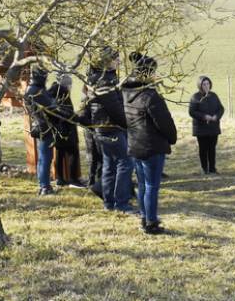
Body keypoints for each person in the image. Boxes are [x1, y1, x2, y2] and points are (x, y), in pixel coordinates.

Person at [122, 52, 177, 234]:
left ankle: (145, 218)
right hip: (151, 146)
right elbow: (164, 122)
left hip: (135, 144)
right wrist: (172, 137)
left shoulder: (126, 93)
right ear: (148, 74)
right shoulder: (150, 96)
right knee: (151, 186)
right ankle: (151, 223)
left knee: (143, 184)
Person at [85, 51, 134, 213]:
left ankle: (109, 202)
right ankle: (121, 203)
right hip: (110, 127)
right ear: (108, 62)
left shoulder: (101, 79)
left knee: (109, 164)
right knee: (125, 163)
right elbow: (115, 109)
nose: (119, 61)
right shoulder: (104, 82)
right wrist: (128, 124)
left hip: (103, 128)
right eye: (116, 59)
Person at [23, 67, 59, 196]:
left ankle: (43, 184)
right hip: (45, 127)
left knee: (43, 158)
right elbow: (51, 107)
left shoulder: (33, 89)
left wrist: (51, 93)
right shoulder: (35, 91)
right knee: (45, 158)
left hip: (42, 126)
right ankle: (44, 186)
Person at [47, 74, 85, 188]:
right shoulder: (63, 94)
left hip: (56, 129)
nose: (71, 87)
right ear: (67, 85)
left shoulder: (52, 93)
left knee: (60, 154)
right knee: (73, 153)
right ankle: (73, 179)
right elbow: (68, 113)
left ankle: (60, 178)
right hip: (66, 129)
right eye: (71, 85)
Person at [188, 76, 225, 174]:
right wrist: (204, 116)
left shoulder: (214, 96)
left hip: (213, 127)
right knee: (203, 149)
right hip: (201, 128)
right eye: (204, 84)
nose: (206, 86)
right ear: (200, 85)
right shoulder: (195, 97)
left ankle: (212, 168)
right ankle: (204, 168)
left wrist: (216, 116)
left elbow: (221, 109)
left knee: (212, 148)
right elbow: (192, 112)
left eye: (208, 84)